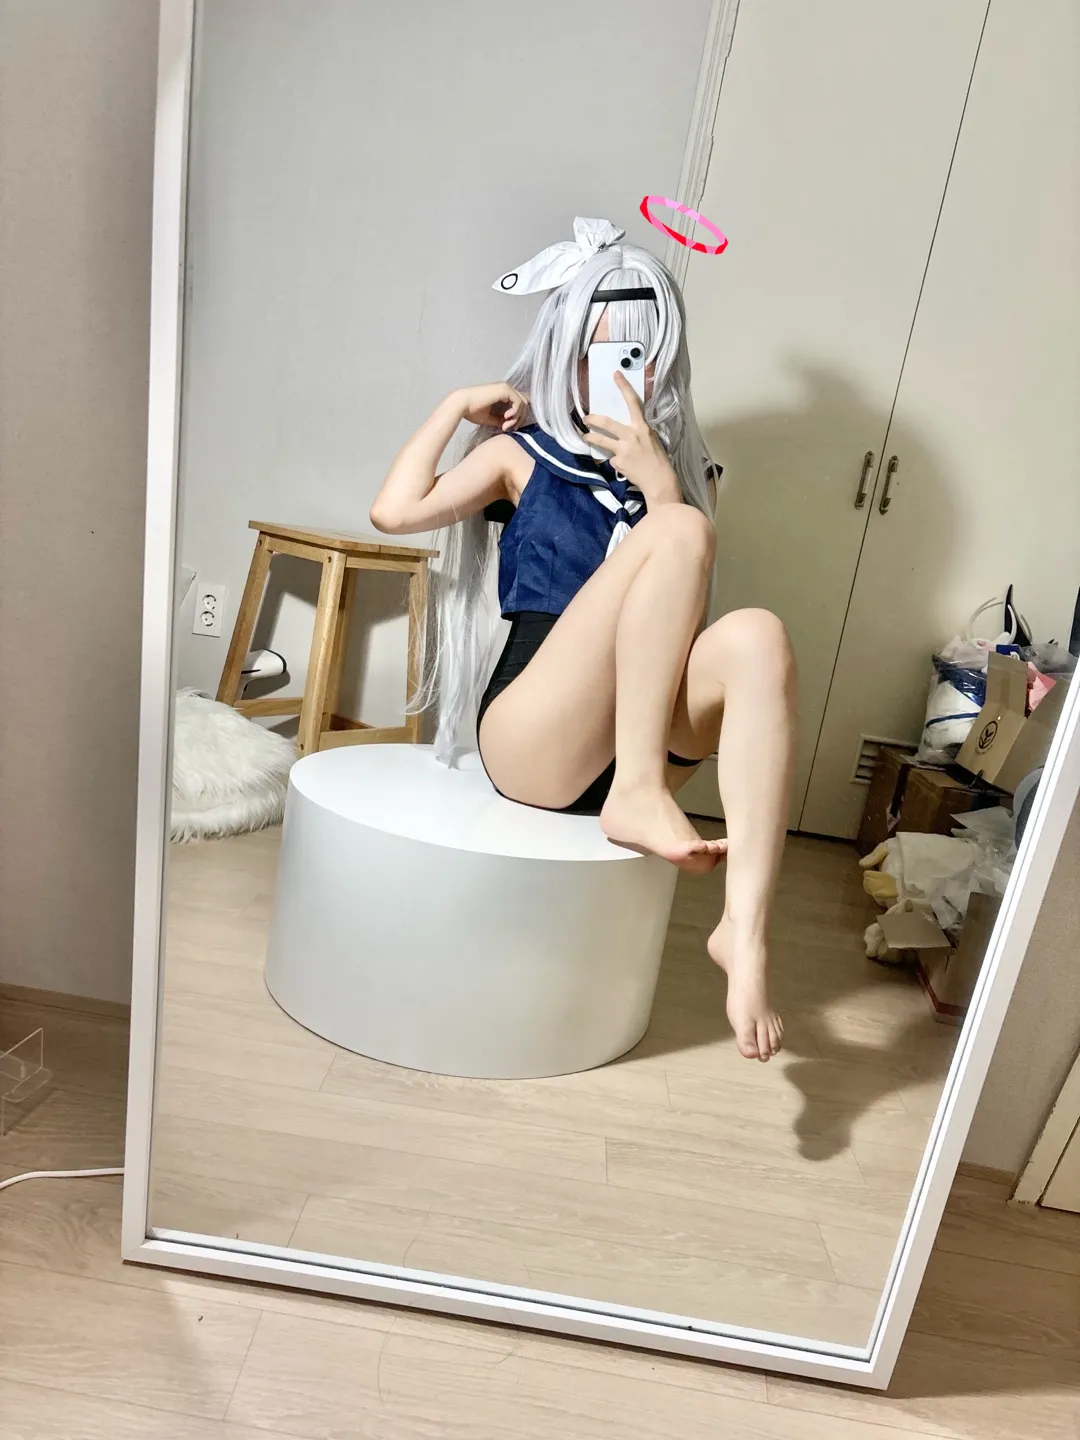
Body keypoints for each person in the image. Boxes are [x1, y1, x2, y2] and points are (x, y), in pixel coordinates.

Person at [370, 218, 795, 1061]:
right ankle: (634, 792)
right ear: (566, 350)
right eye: (602, 351)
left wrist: (663, 485)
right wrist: (456, 406)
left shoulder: (688, 475)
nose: (624, 371)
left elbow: (681, 617)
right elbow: (394, 512)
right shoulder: (520, 456)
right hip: (538, 737)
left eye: (640, 354)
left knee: (757, 634)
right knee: (679, 531)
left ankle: (744, 934)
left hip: (644, 728)